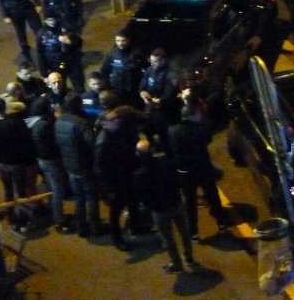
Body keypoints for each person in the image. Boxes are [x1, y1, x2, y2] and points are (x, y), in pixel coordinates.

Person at [134, 137, 196, 273]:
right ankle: (189, 256)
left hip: (160, 210)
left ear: (138, 155)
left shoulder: (139, 175)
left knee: (168, 238)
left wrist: (151, 205)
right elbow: (179, 179)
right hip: (176, 202)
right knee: (184, 231)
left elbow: (142, 196)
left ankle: (176, 263)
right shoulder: (166, 162)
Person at [168, 101, 226, 240]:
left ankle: (193, 231)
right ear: (192, 116)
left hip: (185, 172)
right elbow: (208, 138)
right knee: (213, 197)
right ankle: (221, 223)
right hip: (202, 169)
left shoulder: (173, 131)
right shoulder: (200, 130)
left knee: (190, 202)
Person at [95, 103, 149, 251]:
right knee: (116, 211)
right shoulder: (103, 142)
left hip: (127, 173)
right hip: (115, 181)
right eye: (114, 120)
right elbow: (101, 169)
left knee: (133, 201)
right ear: (106, 123)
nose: (117, 121)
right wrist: (109, 189)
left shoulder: (119, 130)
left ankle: (136, 226)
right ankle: (117, 238)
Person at [0, 97, 36, 232]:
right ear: (4, 108)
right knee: (21, 192)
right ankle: (23, 222)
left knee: (8, 191)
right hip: (16, 163)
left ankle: (12, 220)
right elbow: (25, 142)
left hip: (0, 164)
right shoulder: (14, 123)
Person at [55, 93, 99, 237]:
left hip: (69, 165)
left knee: (79, 198)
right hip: (84, 165)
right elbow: (92, 143)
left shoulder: (59, 121)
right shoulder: (82, 123)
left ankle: (81, 227)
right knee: (91, 197)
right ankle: (95, 226)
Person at [27, 94, 69, 232]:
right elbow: (56, 140)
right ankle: (59, 220)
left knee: (51, 187)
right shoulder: (45, 126)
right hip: (51, 160)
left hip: (42, 160)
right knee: (57, 190)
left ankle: (55, 213)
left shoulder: (34, 123)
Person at [139, 48, 179, 147]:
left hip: (164, 110)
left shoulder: (170, 73)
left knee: (162, 131)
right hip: (150, 106)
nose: (152, 63)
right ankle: (152, 145)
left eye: (155, 61)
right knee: (146, 128)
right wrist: (143, 93)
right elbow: (142, 85)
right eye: (151, 61)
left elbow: (170, 93)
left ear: (163, 61)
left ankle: (168, 151)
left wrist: (159, 101)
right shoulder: (150, 70)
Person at [35, 16, 85, 93]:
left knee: (79, 85)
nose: (52, 22)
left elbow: (79, 43)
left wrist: (69, 41)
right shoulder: (41, 34)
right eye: (49, 20)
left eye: (53, 19)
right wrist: (44, 74)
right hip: (57, 65)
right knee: (59, 88)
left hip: (71, 62)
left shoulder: (66, 29)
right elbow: (40, 54)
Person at [100, 31, 144, 106]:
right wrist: (107, 85)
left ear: (128, 40)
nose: (120, 43)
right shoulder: (111, 54)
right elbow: (104, 71)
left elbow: (146, 70)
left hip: (133, 90)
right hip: (116, 89)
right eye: (118, 40)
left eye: (123, 40)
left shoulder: (137, 53)